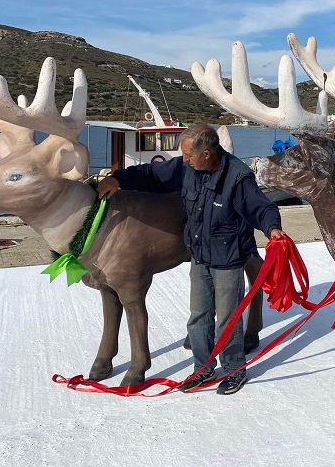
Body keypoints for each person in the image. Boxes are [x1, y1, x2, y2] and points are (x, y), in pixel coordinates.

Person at [98, 123, 283, 394]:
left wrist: (272, 228)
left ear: (207, 154)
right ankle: (203, 369)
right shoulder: (186, 168)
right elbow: (150, 174)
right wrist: (118, 179)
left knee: (227, 318)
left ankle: (234, 370)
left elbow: (261, 208)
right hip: (200, 255)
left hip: (228, 257)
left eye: (188, 155)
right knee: (198, 316)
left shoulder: (237, 177)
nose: (184, 160)